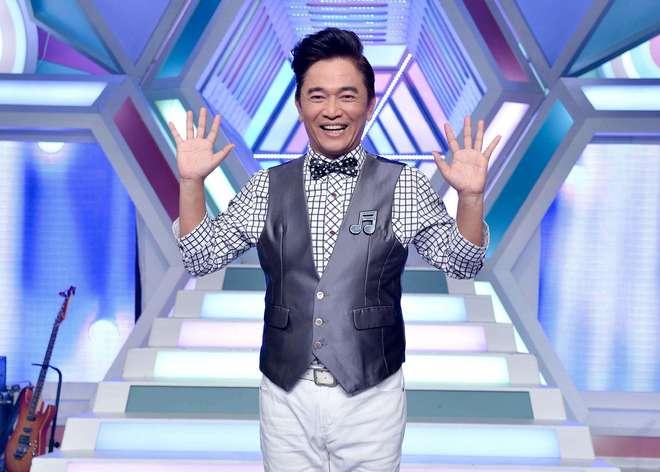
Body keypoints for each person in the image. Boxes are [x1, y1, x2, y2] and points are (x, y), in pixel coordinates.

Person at [170, 27, 500, 472]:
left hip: (372, 397)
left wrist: (471, 198)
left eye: (347, 96)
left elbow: (463, 262)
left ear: (370, 104)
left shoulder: (403, 185)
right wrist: (191, 183)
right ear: (299, 105)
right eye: (317, 96)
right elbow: (200, 256)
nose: (331, 111)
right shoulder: (266, 186)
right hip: (285, 396)